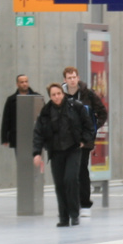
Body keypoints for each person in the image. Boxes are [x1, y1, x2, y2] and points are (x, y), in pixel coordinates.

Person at [32, 82, 94, 227]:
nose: (57, 97)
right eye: (53, 95)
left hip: (73, 149)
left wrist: (84, 141)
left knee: (71, 179)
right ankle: (63, 217)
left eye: (59, 94)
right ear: (50, 96)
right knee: (59, 184)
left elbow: (88, 125)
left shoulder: (76, 107)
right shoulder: (46, 112)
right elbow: (38, 133)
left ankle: (74, 214)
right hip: (55, 152)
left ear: (63, 93)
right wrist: (37, 153)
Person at [63, 65, 107, 214]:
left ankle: (85, 202)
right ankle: (70, 202)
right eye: (69, 78)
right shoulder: (61, 95)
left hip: (84, 140)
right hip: (67, 140)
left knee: (81, 170)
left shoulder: (88, 94)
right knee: (68, 172)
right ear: (65, 80)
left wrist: (93, 129)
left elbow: (102, 112)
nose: (72, 80)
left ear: (78, 78)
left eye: (74, 77)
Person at [0, 75, 34, 153]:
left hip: (33, 136)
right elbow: (6, 119)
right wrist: (4, 138)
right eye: (22, 82)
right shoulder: (11, 100)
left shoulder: (36, 97)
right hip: (18, 136)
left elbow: (43, 117)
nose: (24, 84)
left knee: (35, 163)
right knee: (21, 162)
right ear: (17, 84)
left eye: (26, 81)